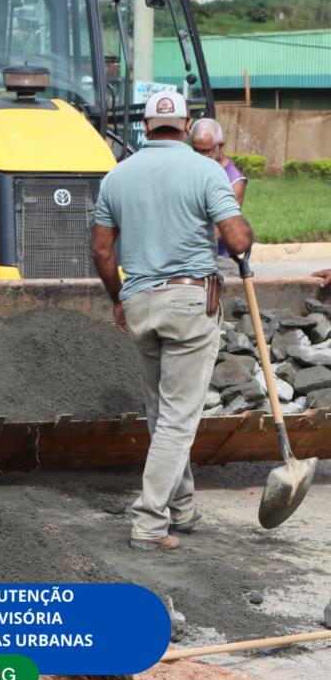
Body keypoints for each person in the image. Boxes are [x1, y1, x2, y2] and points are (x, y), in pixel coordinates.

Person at [92, 91, 253, 552]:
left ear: (145, 127)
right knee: (179, 420)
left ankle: (181, 508)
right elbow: (237, 240)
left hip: (139, 300)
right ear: (185, 128)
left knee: (162, 413)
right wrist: (243, 232)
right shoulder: (207, 170)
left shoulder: (117, 176)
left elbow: (103, 250)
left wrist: (117, 300)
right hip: (189, 302)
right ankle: (148, 522)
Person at [191, 117, 247, 276]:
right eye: (196, 150)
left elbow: (223, 228)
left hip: (217, 258)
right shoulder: (193, 168)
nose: (200, 156)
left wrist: (188, 249)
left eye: (206, 151)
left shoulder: (234, 181)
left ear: (220, 146)